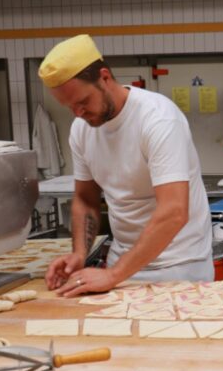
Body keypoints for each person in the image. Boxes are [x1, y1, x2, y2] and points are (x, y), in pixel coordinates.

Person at [39, 34, 213, 297]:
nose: (78, 114)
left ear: (105, 78)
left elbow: (174, 211)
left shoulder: (158, 119)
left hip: (179, 267)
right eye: (70, 107)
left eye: (83, 102)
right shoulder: (81, 130)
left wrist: (113, 274)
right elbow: (86, 199)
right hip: (122, 267)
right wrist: (79, 253)